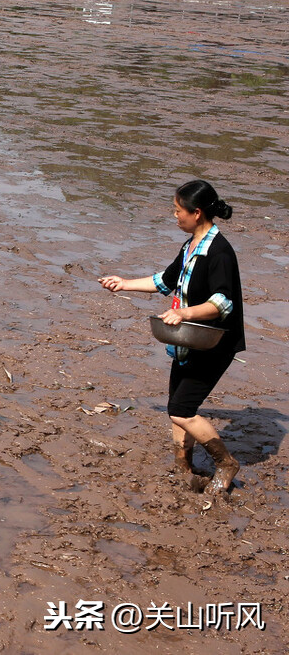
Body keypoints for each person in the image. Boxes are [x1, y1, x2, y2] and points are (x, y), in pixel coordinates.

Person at [98, 180, 244, 494]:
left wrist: (183, 314)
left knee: (182, 409)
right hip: (190, 340)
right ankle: (184, 468)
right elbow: (165, 281)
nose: (175, 216)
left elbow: (222, 302)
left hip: (215, 342)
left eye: (178, 211)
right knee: (175, 407)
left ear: (197, 212)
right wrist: (123, 283)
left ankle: (226, 463)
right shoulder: (191, 245)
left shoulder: (219, 252)